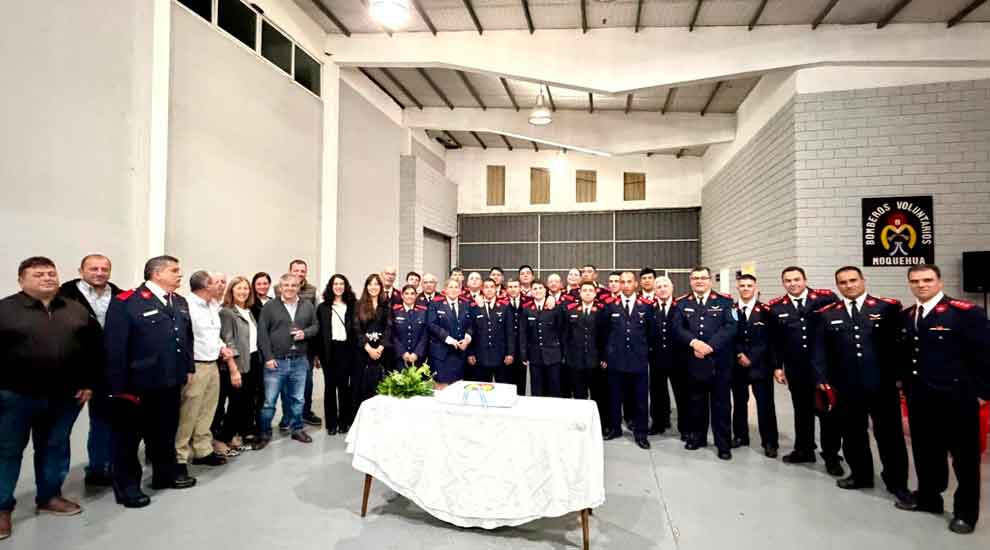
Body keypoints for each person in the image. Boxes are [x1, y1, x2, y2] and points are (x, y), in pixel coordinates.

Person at [0, 257, 101, 538]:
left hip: (64, 397)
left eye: (51, 273)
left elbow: (93, 349)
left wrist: (89, 382)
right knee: (7, 452)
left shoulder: (75, 310)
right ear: (21, 280)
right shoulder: (5, 310)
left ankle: (49, 496)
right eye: (38, 274)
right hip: (14, 397)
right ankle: (2, 508)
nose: (47, 278)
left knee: (54, 448)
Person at [894, 264, 988, 534]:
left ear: (939, 281)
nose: (921, 285)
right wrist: (903, 383)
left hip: (957, 398)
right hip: (920, 396)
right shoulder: (907, 315)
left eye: (927, 280)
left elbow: (985, 355)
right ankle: (929, 498)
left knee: (965, 459)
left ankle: (966, 513)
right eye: (915, 281)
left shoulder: (965, 313)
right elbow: (906, 354)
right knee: (926, 452)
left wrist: (983, 393)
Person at [810, 267, 912, 506]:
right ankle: (861, 475)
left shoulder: (886, 308)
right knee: (853, 435)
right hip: (846, 386)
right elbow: (819, 351)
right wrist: (821, 379)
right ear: (837, 285)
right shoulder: (826, 314)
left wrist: (900, 378)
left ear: (863, 280)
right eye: (843, 282)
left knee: (890, 436)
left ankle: (897, 482)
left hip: (881, 384)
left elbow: (900, 346)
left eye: (853, 280)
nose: (848, 285)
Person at [104, 255, 196, 508]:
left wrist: (187, 368)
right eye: (174, 270)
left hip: (169, 381)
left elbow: (185, 339)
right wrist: (119, 388)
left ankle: (163, 475)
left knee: (164, 434)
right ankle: (127, 487)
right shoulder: (127, 302)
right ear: (156, 273)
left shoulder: (178, 302)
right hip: (137, 385)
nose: (180, 274)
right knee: (128, 440)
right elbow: (115, 348)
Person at [768, 266, 843, 476]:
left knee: (827, 413)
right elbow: (776, 341)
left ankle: (831, 456)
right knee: (802, 411)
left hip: (824, 368)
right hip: (796, 368)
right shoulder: (776, 307)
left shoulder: (826, 299)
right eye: (788, 280)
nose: (793, 284)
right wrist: (777, 366)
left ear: (805, 279)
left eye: (797, 279)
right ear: (783, 283)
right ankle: (804, 449)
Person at [57, 254, 122, 487]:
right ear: (81, 270)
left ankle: (98, 469)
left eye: (105, 268)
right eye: (93, 268)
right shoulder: (62, 296)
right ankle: (53, 487)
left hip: (107, 372)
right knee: (61, 429)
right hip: (73, 373)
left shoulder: (120, 296)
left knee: (103, 422)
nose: (99, 273)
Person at [670, 267, 737, 459]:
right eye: (695, 278)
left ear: (710, 280)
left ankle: (723, 444)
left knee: (721, 404)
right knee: (696, 402)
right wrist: (695, 343)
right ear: (690, 281)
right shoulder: (682, 303)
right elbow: (677, 327)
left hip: (719, 362)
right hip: (693, 361)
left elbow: (731, 327)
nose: (699, 281)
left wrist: (710, 346)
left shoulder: (725, 302)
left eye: (703, 278)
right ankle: (697, 438)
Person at [176, 271, 231, 471]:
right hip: (196, 366)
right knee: (188, 413)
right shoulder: (186, 306)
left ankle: (202, 450)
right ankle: (180, 456)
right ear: (206, 286)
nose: (221, 286)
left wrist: (221, 347)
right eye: (217, 283)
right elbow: (183, 338)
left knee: (208, 410)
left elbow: (212, 335)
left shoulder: (213, 306)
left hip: (212, 363)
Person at [257, 273, 318, 448]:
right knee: (269, 401)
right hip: (276, 361)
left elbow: (315, 326)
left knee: (298, 399)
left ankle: (297, 429)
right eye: (286, 285)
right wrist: (268, 358)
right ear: (280, 288)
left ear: (299, 287)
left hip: (299, 360)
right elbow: (262, 334)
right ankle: (265, 433)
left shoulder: (307, 305)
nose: (290, 288)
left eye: (294, 285)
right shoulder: (270, 306)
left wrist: (304, 333)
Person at [601, 271, 655, 449]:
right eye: (622, 282)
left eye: (629, 282)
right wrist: (606, 355)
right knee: (614, 397)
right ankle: (615, 428)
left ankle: (641, 433)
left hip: (638, 360)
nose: (625, 285)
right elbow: (604, 333)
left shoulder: (646, 306)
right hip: (616, 360)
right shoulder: (610, 306)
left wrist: (645, 353)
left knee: (640, 399)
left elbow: (651, 333)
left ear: (636, 284)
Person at [731, 274, 779, 457]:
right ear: (737, 288)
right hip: (737, 365)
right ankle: (741, 436)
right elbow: (730, 335)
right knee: (739, 403)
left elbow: (771, 341)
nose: (745, 288)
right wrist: (739, 353)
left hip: (761, 366)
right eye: (742, 285)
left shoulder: (767, 311)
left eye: (749, 285)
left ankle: (769, 442)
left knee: (765, 405)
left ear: (755, 287)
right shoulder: (732, 310)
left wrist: (752, 357)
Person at [217, 277, 259, 452]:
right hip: (237, 364)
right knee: (235, 404)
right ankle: (222, 439)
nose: (243, 292)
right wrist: (234, 369)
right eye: (239, 288)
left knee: (244, 403)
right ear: (231, 291)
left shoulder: (247, 311)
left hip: (251, 360)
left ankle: (234, 436)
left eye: (246, 289)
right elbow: (228, 342)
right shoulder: (227, 312)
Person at [315, 274, 357, 435]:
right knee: (330, 387)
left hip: (347, 350)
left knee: (344, 387)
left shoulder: (352, 305)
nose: (338, 286)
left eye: (341, 284)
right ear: (331, 287)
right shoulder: (323, 307)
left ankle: (344, 421)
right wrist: (318, 355)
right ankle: (331, 423)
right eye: (335, 284)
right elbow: (319, 334)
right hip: (329, 350)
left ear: (345, 286)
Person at [562, 282, 607, 426]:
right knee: (579, 394)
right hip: (575, 360)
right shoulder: (570, 309)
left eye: (590, 290)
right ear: (580, 293)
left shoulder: (602, 310)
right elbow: (565, 335)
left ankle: (599, 424)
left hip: (596, 360)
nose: (587, 293)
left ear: (595, 293)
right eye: (584, 290)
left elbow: (606, 336)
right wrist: (566, 356)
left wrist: (604, 357)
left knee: (598, 394)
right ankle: (580, 422)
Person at [288, 259, 322, 428]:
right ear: (290, 270)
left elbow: (316, 322)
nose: (299, 274)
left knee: (307, 381)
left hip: (306, 346)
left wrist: (316, 353)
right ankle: (287, 416)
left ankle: (306, 412)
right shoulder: (278, 289)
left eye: (302, 271)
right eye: (296, 270)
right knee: (286, 382)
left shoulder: (312, 291)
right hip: (284, 345)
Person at [352, 274, 392, 407]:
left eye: (376, 284)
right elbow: (356, 328)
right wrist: (368, 348)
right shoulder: (358, 304)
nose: (373, 287)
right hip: (363, 351)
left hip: (382, 352)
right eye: (370, 284)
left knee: (380, 384)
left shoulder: (386, 305)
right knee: (360, 384)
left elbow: (389, 328)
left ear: (381, 286)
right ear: (366, 286)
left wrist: (380, 348)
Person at [520, 280, 565, 397]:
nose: (538, 291)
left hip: (553, 355)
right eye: (535, 289)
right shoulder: (526, 309)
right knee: (537, 389)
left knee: (554, 388)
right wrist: (524, 354)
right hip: (535, 356)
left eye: (540, 288)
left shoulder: (555, 307)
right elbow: (523, 333)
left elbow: (561, 331)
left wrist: (563, 353)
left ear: (546, 290)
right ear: (531, 291)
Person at [427, 278, 473, 388]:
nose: (453, 289)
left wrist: (467, 339)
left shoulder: (466, 304)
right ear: (445, 290)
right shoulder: (435, 304)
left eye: (456, 287)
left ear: (460, 290)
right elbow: (431, 324)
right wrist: (448, 339)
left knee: (457, 386)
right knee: (441, 386)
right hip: (441, 353)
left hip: (459, 353)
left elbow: (471, 324)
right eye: (450, 287)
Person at [467, 279, 515, 383]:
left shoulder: (505, 306)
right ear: (482, 289)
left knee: (502, 388)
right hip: (480, 356)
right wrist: (470, 353)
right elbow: (470, 331)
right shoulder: (474, 307)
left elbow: (510, 332)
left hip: (501, 356)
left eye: (492, 287)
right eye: (486, 287)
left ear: (496, 289)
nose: (489, 290)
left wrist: (510, 353)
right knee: (482, 389)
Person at [648, 275, 676, 436]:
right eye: (658, 287)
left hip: (676, 358)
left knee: (680, 393)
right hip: (656, 357)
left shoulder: (680, 306)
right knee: (657, 392)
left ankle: (685, 427)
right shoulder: (649, 308)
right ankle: (658, 422)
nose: (662, 289)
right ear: (655, 290)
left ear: (671, 288)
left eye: (665, 286)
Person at [392, 284, 429, 374]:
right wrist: (402, 352)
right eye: (406, 293)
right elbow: (392, 334)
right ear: (402, 295)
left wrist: (416, 353)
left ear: (416, 296)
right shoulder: (394, 311)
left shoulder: (423, 311)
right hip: (399, 358)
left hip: (418, 358)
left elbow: (425, 335)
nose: (409, 296)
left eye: (412, 294)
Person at [504, 279, 529, 395]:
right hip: (506, 349)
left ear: (520, 288)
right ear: (506, 289)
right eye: (510, 287)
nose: (513, 289)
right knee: (507, 382)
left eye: (515, 286)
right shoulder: (503, 304)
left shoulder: (528, 303)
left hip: (522, 349)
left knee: (521, 382)